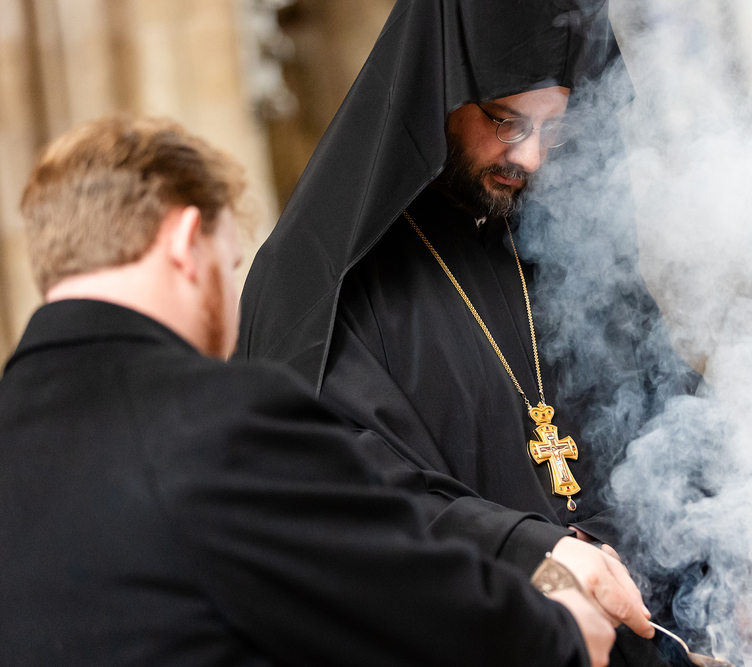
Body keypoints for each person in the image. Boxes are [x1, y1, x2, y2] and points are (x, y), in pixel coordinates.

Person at [0, 115, 619, 667]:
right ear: (186, 242)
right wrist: (560, 625)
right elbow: (395, 594)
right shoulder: (215, 419)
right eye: (229, 265)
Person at [237, 0, 699, 663]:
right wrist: (533, 550)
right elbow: (336, 493)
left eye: (554, 128)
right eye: (505, 121)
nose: (530, 156)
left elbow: (676, 426)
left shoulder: (571, 252)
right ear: (440, 93)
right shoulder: (323, 279)